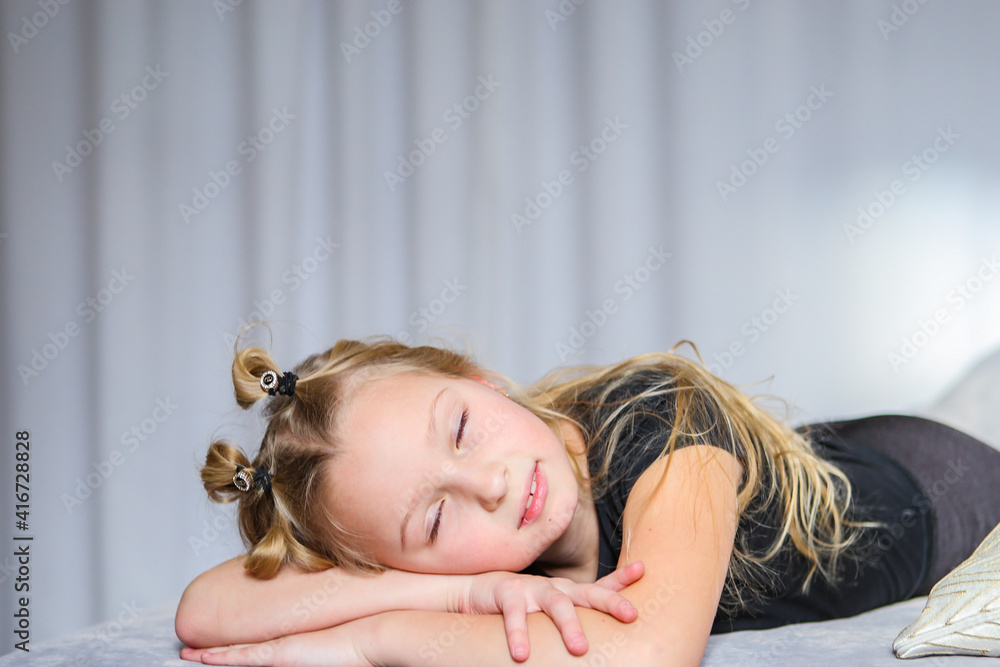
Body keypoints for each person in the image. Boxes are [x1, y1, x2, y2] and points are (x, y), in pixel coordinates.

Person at [176, 336, 1000, 666]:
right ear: (391, 561)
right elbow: (205, 611)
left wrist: (373, 637)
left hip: (943, 476)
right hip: (808, 460)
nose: (488, 482)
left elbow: (647, 655)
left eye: (460, 428)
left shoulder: (658, 414)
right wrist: (461, 593)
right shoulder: (475, 553)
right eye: (434, 518)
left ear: (484, 382)